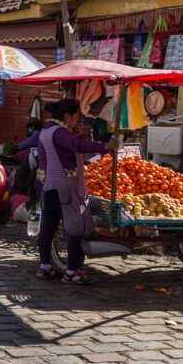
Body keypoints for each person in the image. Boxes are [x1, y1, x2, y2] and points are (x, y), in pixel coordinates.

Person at [30, 99, 116, 284]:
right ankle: (71, 272)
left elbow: (71, 148)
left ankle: (45, 267)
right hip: (63, 187)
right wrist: (104, 146)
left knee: (48, 227)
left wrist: (79, 135)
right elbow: (76, 147)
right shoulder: (59, 132)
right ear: (67, 116)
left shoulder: (47, 130)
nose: (79, 120)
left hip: (49, 186)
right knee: (75, 228)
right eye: (77, 116)